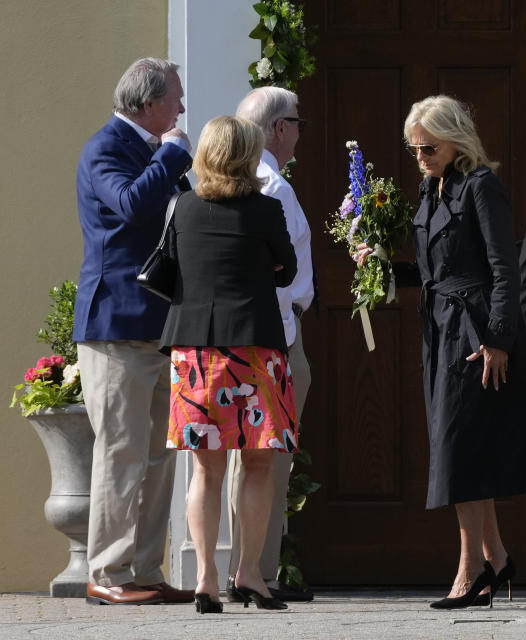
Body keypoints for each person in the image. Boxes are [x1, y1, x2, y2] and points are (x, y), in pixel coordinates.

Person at [355, 95, 526, 610]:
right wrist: (381, 266)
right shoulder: (430, 187)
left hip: (475, 331)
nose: (419, 155)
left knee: (459, 450)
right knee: (461, 448)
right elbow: (431, 274)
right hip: (439, 329)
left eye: (428, 147)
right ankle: (499, 558)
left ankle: (471, 571)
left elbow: (503, 269)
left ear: (454, 139)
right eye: (413, 148)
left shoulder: (482, 186)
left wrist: (499, 338)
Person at [160, 115, 298, 613]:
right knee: (258, 462)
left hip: (194, 350)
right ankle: (250, 576)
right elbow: (289, 272)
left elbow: (175, 268)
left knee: (205, 470)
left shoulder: (183, 208)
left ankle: (205, 578)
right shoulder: (265, 209)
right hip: (255, 347)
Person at [75, 57, 194, 606]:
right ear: (149, 105)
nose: (181, 109)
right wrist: (172, 152)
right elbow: (127, 205)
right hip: (117, 325)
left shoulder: (155, 153)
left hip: (159, 321)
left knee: (158, 455)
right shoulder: (105, 148)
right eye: (175, 98)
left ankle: (145, 569)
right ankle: (107, 571)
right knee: (121, 451)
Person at [225, 86, 315, 603]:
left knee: (248, 459)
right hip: (276, 335)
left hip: (265, 331)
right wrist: (293, 311)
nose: (301, 131)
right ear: (279, 128)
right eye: (298, 122)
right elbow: (280, 271)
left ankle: (248, 568)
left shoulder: (242, 179)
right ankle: (258, 572)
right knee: (268, 459)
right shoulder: (272, 187)